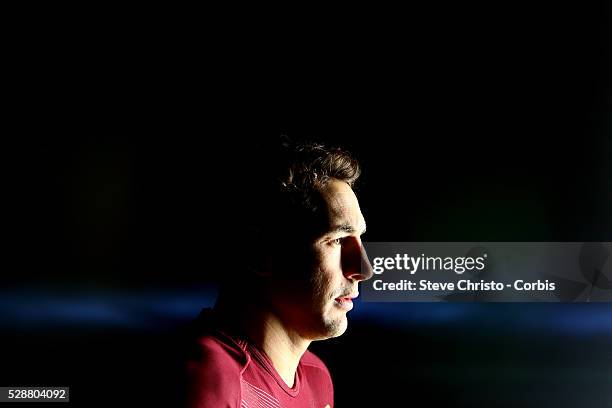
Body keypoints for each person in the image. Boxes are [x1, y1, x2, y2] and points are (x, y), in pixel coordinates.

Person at [184, 139, 373, 407]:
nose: (363, 269)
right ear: (262, 252)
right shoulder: (210, 376)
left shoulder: (317, 379)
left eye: (359, 238)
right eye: (337, 240)